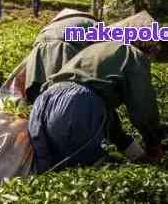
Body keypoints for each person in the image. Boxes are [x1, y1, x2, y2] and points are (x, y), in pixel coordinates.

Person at [28, 11, 166, 174]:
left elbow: (105, 114)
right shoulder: (134, 55)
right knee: (90, 173)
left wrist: (132, 150)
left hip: (42, 106)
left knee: (51, 171)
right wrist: (153, 141)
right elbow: (143, 106)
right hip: (74, 107)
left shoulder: (98, 51)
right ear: (147, 46)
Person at [24, 8, 98, 103]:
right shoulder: (94, 25)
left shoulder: (58, 22)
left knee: (39, 97)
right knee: (68, 98)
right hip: (67, 46)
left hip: (42, 39)